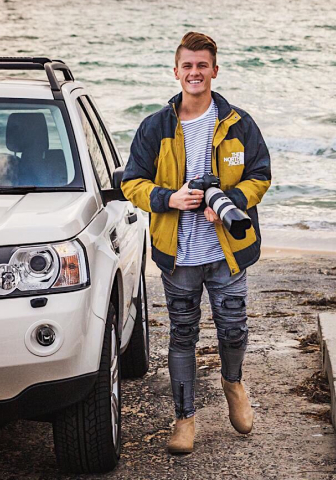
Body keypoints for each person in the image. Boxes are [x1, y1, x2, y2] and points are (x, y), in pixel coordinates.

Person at [121, 32, 271, 454]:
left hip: (227, 251)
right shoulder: (155, 127)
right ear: (176, 71)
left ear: (214, 71)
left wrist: (231, 200)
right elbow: (131, 182)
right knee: (183, 335)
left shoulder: (239, 124)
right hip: (179, 255)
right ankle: (184, 420)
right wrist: (169, 198)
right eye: (187, 65)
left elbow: (260, 175)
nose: (195, 72)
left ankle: (233, 383)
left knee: (234, 329)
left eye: (202, 65)